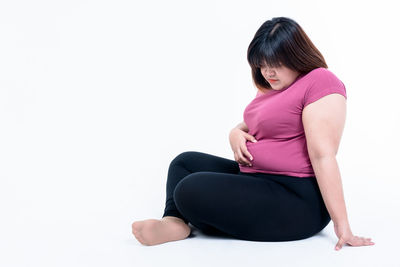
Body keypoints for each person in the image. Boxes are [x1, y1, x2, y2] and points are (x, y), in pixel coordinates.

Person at [131, 17, 375, 250]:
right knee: (184, 163)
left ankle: (194, 217)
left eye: (276, 63)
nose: (268, 72)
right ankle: (174, 222)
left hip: (298, 199)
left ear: (296, 56)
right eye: (263, 64)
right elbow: (256, 123)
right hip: (259, 178)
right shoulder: (272, 87)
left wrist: (343, 228)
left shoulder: (320, 81)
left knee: (188, 189)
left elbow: (324, 155)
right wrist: (234, 133)